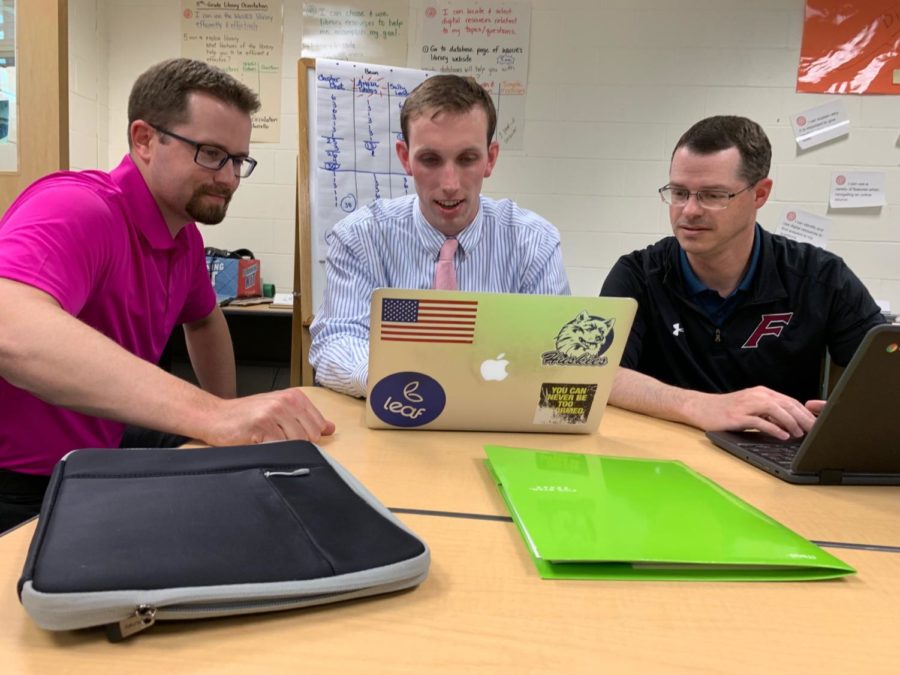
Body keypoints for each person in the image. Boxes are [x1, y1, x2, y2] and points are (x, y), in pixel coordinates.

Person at [0, 58, 334, 531]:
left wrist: (231, 414)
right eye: (211, 154)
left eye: (238, 160)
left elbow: (204, 319)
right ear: (144, 139)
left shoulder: (183, 236)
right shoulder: (77, 207)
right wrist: (214, 415)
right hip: (20, 480)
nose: (229, 178)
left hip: (100, 451)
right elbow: (10, 329)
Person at [600, 115, 885, 440]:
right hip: (660, 459)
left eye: (713, 195)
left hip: (774, 469)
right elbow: (599, 373)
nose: (689, 210)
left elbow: (885, 373)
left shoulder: (820, 278)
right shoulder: (638, 275)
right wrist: (703, 407)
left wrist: (843, 416)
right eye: (679, 192)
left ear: (760, 194)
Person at [309, 74, 570, 398]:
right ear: (405, 157)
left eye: (467, 159)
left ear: (490, 158)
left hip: (496, 419)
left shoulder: (535, 243)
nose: (449, 183)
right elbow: (336, 341)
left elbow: (554, 354)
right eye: (430, 160)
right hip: (393, 412)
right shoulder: (360, 237)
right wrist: (409, 383)